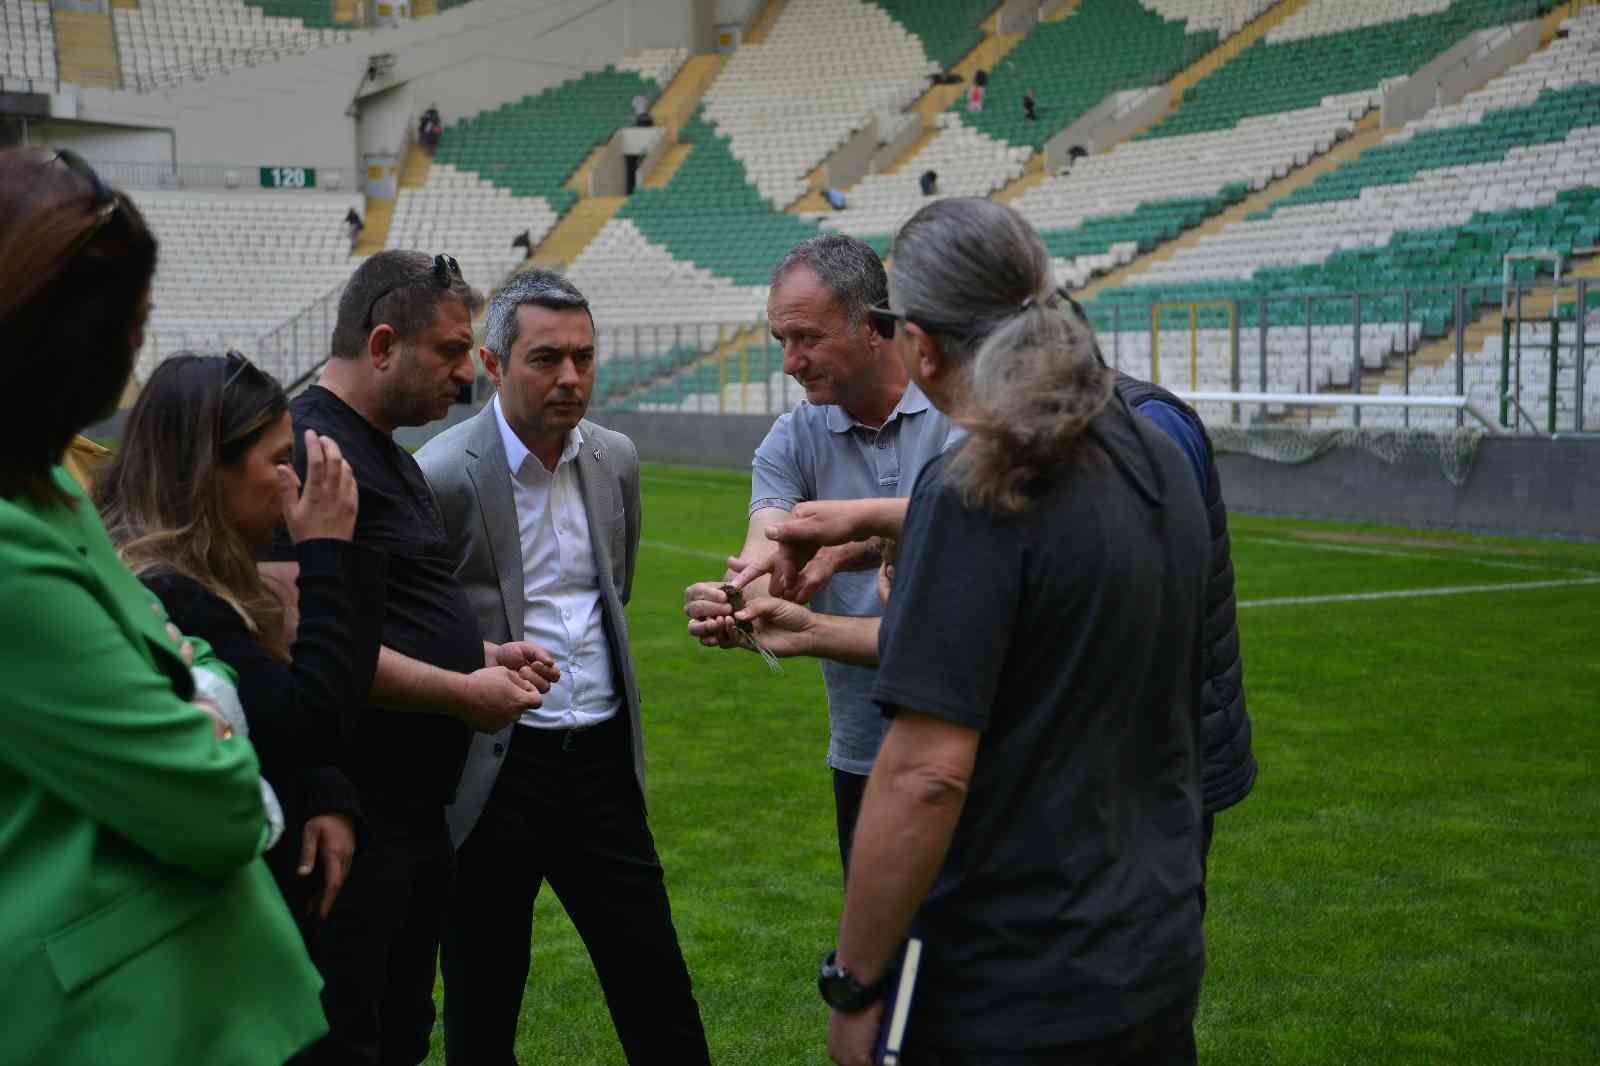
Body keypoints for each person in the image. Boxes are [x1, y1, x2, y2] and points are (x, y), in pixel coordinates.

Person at [737, 199, 1212, 1065]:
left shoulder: (982, 487)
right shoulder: (1158, 455)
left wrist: (854, 982)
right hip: (1155, 940)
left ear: (915, 341)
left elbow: (923, 776)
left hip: (1016, 972)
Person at [0, 146, 328, 1064]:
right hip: (118, 1022)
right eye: (128, 327)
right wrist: (208, 706)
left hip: (205, 999)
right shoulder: (10, 551)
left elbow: (191, 667)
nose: (133, 355)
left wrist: (197, 694)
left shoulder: (51, 495)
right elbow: (220, 804)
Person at [271, 249, 559, 1066]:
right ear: (383, 343)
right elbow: (302, 638)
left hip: (414, 816)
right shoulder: (303, 451)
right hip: (345, 821)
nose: (469, 375)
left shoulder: (391, 454)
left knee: (401, 1033)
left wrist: (484, 651)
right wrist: (461, 693)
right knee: (347, 1038)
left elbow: (388, 615)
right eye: (450, 351)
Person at [418, 269, 710, 1065]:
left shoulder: (615, 459)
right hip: (494, 775)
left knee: (658, 990)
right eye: (546, 359)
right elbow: (423, 628)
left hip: (603, 766)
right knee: (481, 1006)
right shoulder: (442, 476)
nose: (572, 378)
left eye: (584, 357)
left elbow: (615, 587)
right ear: (492, 361)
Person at [683, 234, 955, 874]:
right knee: (880, 964)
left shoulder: (956, 408)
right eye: (781, 340)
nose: (790, 361)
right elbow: (767, 552)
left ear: (873, 326)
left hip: (981, 734)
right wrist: (736, 600)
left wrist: (858, 531)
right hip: (866, 748)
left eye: (806, 337)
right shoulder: (791, 438)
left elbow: (996, 529)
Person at [96, 351, 387, 933]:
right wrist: (327, 553)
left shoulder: (201, 577)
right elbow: (311, 720)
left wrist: (324, 790)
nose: (292, 480)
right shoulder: (169, 594)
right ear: (209, 468)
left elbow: (277, 716)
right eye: (278, 460)